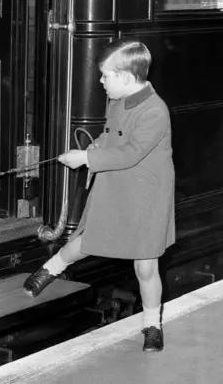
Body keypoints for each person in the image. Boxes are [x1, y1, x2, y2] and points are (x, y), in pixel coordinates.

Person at [23, 40, 175, 353]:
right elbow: (112, 135)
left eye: (105, 76)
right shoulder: (119, 99)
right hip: (117, 186)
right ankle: (48, 270)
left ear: (127, 79)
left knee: (145, 267)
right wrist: (95, 147)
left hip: (146, 194)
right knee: (86, 239)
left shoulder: (154, 111)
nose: (101, 81)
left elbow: (132, 153)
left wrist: (87, 159)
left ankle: (152, 325)